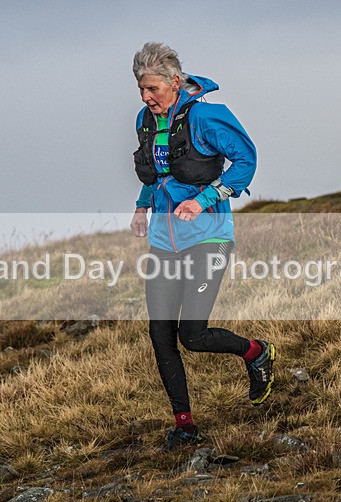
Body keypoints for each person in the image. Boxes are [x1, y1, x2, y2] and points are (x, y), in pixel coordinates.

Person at [129, 42, 277, 451]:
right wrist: (142, 209)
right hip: (164, 241)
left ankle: (256, 353)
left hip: (208, 237)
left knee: (192, 335)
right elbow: (155, 174)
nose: (146, 97)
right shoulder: (146, 120)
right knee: (161, 336)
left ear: (175, 83)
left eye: (154, 89)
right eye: (141, 89)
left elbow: (246, 160)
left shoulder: (208, 116)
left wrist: (204, 199)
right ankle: (185, 425)